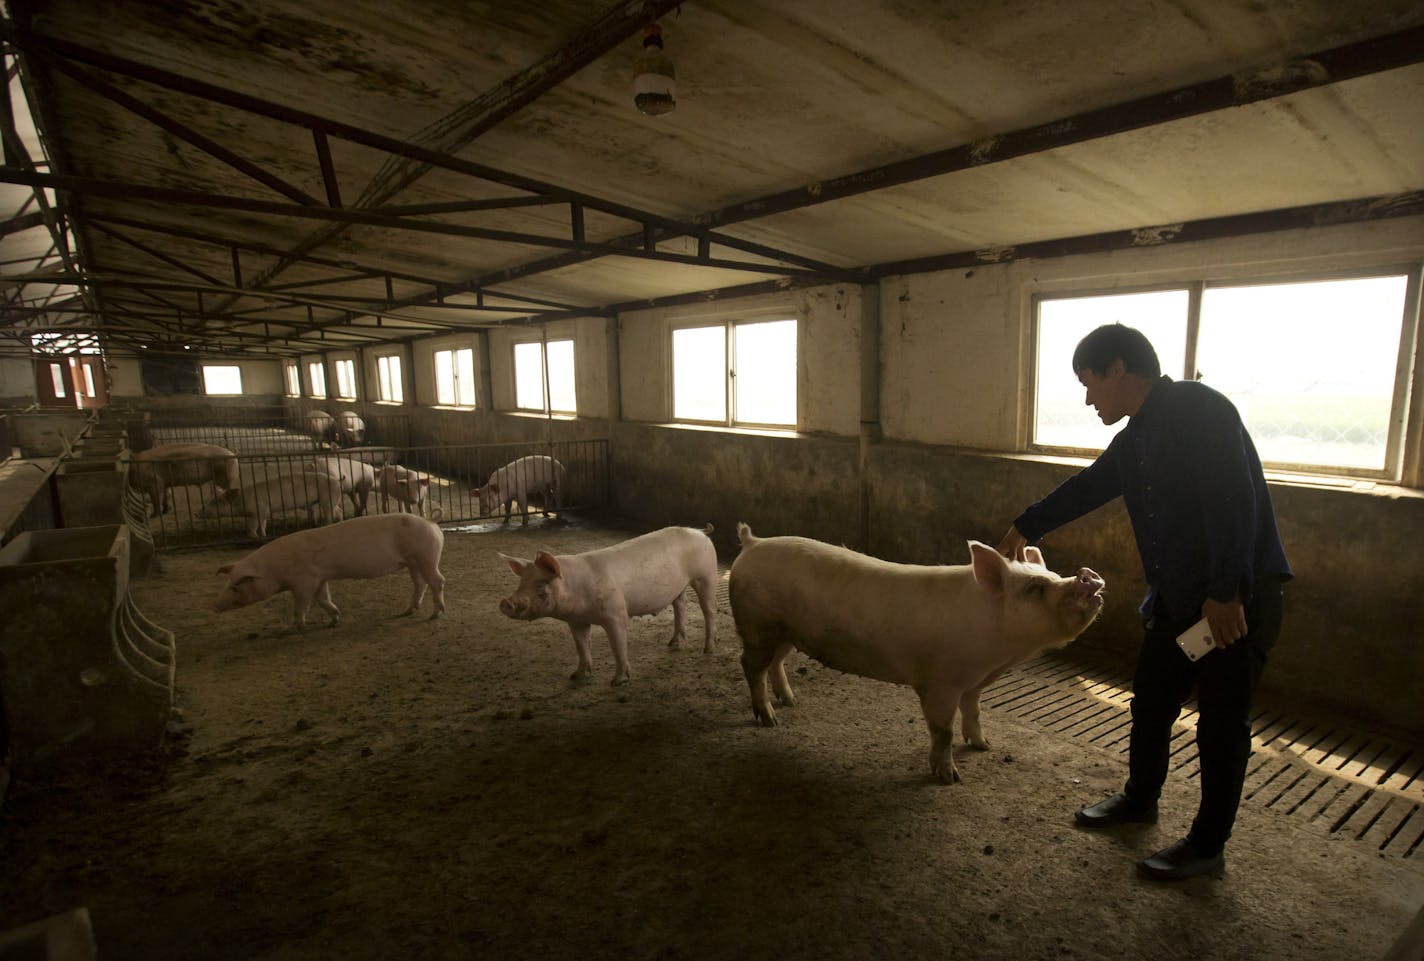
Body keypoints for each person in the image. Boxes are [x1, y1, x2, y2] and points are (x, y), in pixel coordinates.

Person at [998, 323, 1291, 881]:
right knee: (1152, 701)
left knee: (1221, 724)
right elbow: (1089, 485)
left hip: (1234, 602)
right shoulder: (1137, 438)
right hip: (1179, 600)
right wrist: (1027, 522)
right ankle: (1140, 799)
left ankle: (1207, 846)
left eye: (1089, 383)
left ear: (1118, 370)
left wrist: (1225, 592)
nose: (1088, 399)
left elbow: (1235, 502)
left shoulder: (1200, 410)